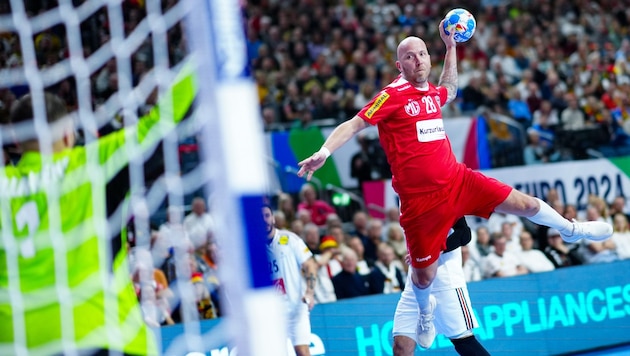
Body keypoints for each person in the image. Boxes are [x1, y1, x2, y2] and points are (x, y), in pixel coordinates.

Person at [297, 24, 613, 349]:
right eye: (410, 56)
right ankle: (424, 314)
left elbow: (450, 87)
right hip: (421, 204)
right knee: (423, 278)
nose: (418, 60)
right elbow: (354, 124)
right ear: (399, 65)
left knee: (527, 204)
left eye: (422, 54)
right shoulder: (391, 96)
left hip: (458, 181)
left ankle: (570, 229)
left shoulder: (432, 93)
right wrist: (324, 151)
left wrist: (451, 47)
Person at [0, 67, 195, 354]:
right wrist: (200, 61)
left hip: (17, 342)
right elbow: (164, 122)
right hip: (98, 332)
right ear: (68, 133)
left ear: (17, 142)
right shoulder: (93, 164)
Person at [393, 218, 490, 356]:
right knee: (401, 347)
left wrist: (433, 251)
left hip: (446, 280)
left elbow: (464, 233)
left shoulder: (446, 196)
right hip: (415, 280)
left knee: (463, 342)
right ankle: (425, 310)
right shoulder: (404, 199)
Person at [262, 204, 318, 356]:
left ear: (273, 218)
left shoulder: (289, 239)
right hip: (271, 314)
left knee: (302, 351)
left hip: (296, 308)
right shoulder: (254, 249)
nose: (264, 220)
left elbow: (310, 265)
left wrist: (310, 292)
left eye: (267, 216)